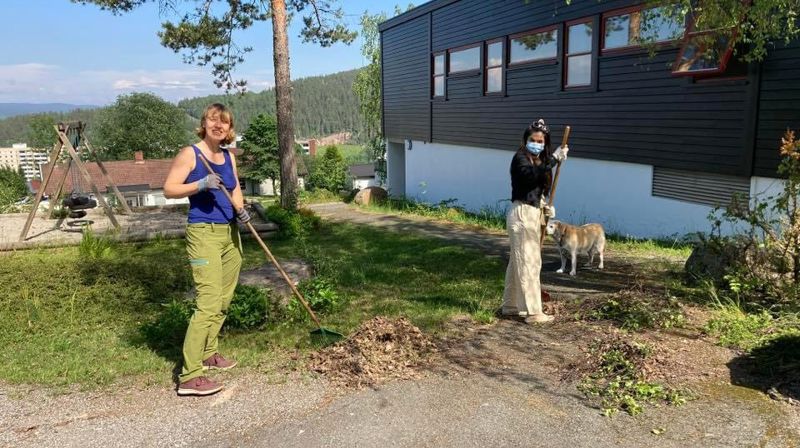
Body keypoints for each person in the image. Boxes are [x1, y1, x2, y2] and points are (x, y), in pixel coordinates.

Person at [164, 103, 251, 396]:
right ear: (204, 123)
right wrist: (200, 184)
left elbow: (235, 186)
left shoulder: (227, 156)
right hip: (204, 233)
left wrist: (241, 209)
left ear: (229, 128)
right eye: (213, 120)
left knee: (225, 298)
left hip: (230, 232)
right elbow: (169, 189)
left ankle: (208, 351)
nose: (219, 125)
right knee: (208, 302)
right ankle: (189, 376)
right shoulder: (191, 154)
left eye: (224, 122)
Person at [502, 118, 568, 323]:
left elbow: (536, 188)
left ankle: (510, 306)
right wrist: (554, 160)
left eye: (541, 141)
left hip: (532, 212)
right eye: (534, 140)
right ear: (525, 140)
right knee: (529, 262)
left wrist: (544, 205)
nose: (537, 144)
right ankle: (533, 312)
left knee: (517, 262)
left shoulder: (540, 161)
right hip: (521, 215)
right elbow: (529, 177)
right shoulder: (520, 158)